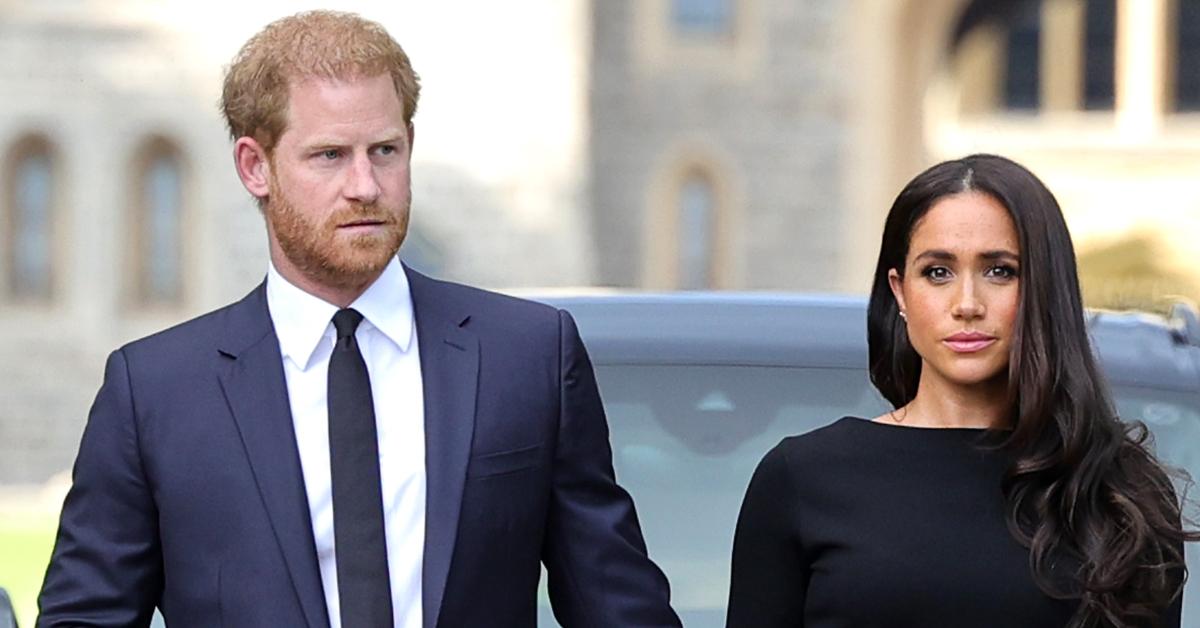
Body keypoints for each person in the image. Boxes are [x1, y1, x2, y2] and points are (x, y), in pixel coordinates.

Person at [37, 11, 680, 628]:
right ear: (254, 167)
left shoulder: (527, 356)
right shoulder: (154, 392)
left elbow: (617, 606)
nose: (366, 186)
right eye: (329, 156)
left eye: (384, 150)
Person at [726, 154, 1193, 627]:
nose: (967, 304)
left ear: (1044, 289)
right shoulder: (802, 478)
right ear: (900, 292)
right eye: (937, 272)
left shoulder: (1120, 490)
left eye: (1000, 271)